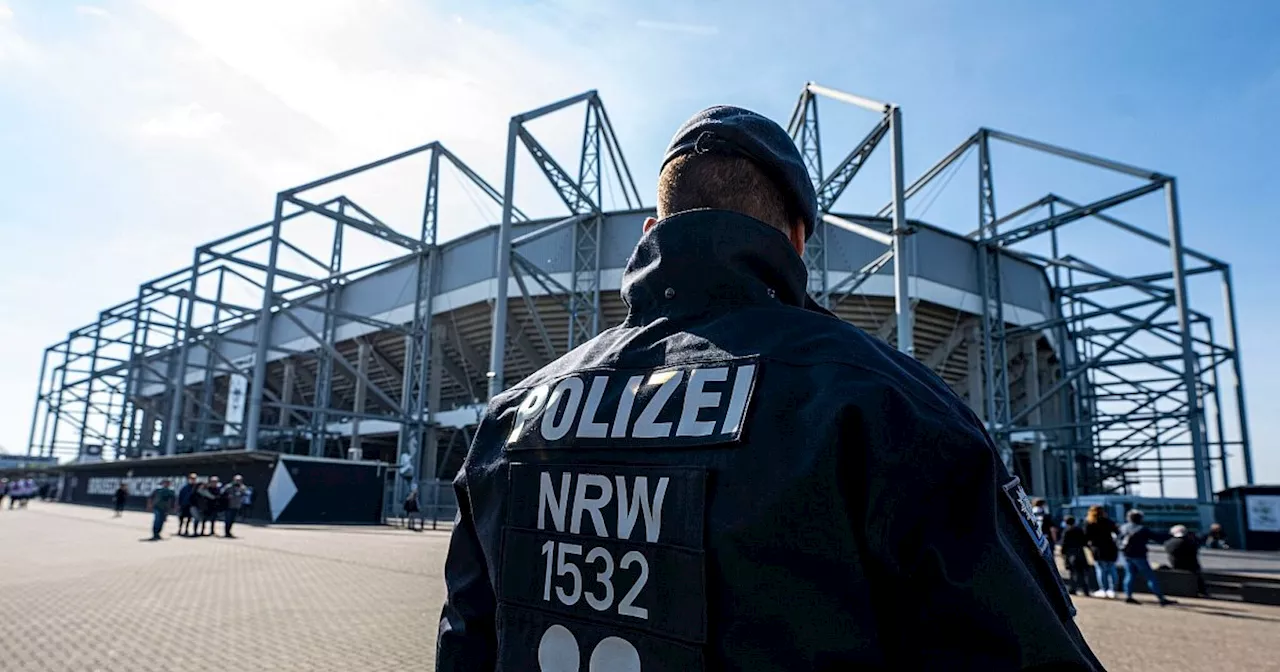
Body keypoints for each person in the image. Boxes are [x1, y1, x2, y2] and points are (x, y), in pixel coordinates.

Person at [436, 105, 1103, 670]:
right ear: (797, 238)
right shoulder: (887, 408)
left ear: (651, 232)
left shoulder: (510, 418)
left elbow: (465, 639)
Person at [1118, 509, 1175, 606]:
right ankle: (1161, 598)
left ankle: (1128, 596)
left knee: (1129, 575)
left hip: (1126, 555)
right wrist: (1170, 535)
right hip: (1139, 555)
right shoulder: (1142, 529)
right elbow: (1156, 537)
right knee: (1150, 577)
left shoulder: (1123, 528)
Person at [1083, 505, 1119, 599]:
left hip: (1097, 549)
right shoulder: (1109, 521)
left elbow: (1086, 538)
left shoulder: (1089, 523)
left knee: (1101, 570)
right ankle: (1112, 590)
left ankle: (1103, 589)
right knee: (1112, 569)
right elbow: (1117, 532)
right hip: (1110, 547)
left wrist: (1089, 547)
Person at [1164, 524, 1208, 597]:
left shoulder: (1168, 543)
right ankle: (1202, 591)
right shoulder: (1190, 542)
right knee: (1197, 574)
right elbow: (1194, 552)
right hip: (1191, 566)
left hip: (1175, 564)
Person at [1060, 516, 1091, 596]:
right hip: (1080, 552)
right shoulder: (1079, 530)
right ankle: (1086, 590)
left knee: (1072, 572)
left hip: (1070, 553)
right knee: (1082, 572)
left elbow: (1064, 543)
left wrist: (1062, 552)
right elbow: (1085, 541)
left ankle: (1073, 589)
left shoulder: (1066, 531)